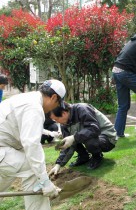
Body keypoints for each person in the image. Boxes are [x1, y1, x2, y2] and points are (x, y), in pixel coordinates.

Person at [0, 79, 66, 210]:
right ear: (53, 97)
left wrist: (51, 134)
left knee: (19, 169)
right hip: (3, 149)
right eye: (58, 103)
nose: (55, 107)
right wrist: (45, 182)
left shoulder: (26, 99)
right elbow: (31, 144)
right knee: (33, 170)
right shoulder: (34, 108)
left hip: (5, 148)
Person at [48, 102, 117, 174]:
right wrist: (58, 164)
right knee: (72, 139)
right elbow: (67, 145)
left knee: (84, 138)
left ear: (64, 113)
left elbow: (93, 129)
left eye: (56, 119)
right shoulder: (64, 124)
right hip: (93, 137)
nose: (57, 122)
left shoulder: (82, 109)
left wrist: (74, 137)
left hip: (107, 137)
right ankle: (83, 157)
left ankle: (97, 156)